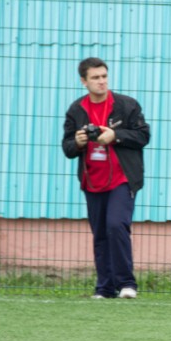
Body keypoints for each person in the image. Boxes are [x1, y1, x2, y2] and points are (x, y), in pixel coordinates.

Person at [62, 57, 150, 299]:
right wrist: (78, 143)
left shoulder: (127, 105)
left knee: (116, 225)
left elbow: (143, 136)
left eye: (104, 76)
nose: (101, 82)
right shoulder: (76, 110)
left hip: (122, 179)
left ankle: (127, 284)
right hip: (92, 180)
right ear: (84, 81)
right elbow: (67, 147)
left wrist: (115, 136)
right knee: (100, 232)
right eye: (95, 78)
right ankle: (105, 288)